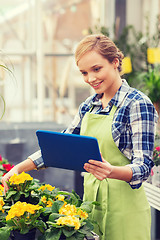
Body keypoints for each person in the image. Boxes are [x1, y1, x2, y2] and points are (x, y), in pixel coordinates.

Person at [2, 34, 158, 240]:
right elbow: (60, 147)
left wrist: (111, 171)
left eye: (96, 69)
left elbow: (144, 167)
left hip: (126, 212)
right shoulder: (89, 105)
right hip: (92, 208)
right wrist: (19, 168)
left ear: (115, 62)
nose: (90, 78)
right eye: (84, 72)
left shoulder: (137, 104)